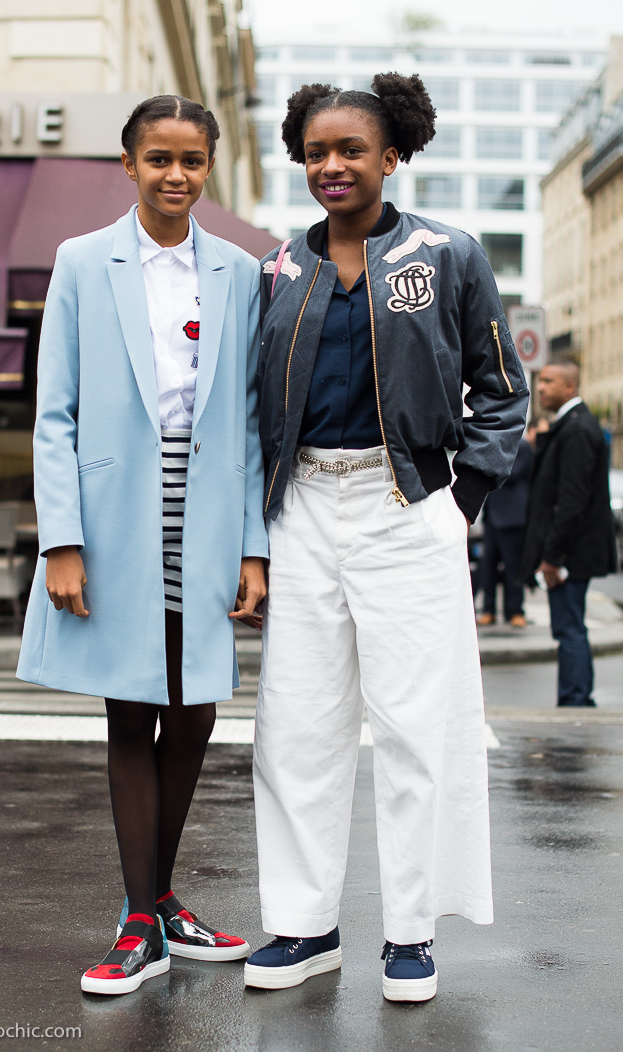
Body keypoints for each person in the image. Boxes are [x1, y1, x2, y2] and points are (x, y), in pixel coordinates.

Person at [245, 74, 529, 1003]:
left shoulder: (448, 254)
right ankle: (304, 925)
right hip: (304, 510)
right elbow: (254, 406)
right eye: (317, 151)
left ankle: (409, 935)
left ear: (390, 155)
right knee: (296, 726)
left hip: (407, 505)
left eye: (351, 150)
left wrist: (463, 498)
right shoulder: (281, 268)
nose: (332, 165)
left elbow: (502, 388)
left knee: (415, 728)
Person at [16, 95, 269, 995]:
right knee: (131, 704)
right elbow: (55, 411)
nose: (175, 175)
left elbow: (246, 416)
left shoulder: (242, 271)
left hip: (205, 507)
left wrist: (252, 548)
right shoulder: (83, 260)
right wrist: (63, 541)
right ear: (128, 165)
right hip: (115, 508)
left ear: (209, 167)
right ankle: (140, 919)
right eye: (157, 159)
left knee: (195, 703)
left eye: (191, 161)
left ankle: (157, 902)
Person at [520, 361, 617, 707]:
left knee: (569, 628)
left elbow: (571, 500)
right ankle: (575, 696)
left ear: (570, 387)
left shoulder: (576, 429)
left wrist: (552, 557)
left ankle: (575, 699)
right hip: (573, 551)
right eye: (541, 381)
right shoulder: (573, 425)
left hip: (570, 554)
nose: (541, 387)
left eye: (549, 381)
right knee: (570, 626)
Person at [476, 437, 533, 628]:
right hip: (492, 517)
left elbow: (512, 474)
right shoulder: (493, 443)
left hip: (512, 518)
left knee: (513, 568)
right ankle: (489, 610)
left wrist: (490, 465)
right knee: (488, 566)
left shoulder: (523, 447)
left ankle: (515, 611)